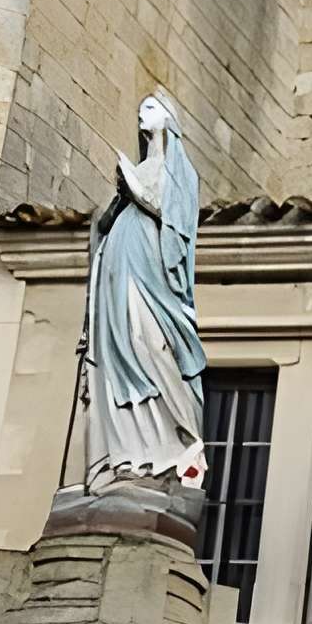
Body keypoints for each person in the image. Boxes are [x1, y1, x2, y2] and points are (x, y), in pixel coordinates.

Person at [80, 92, 208, 490]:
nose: (142, 114)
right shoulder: (139, 169)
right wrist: (120, 198)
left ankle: (173, 445)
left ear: (171, 118)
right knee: (120, 350)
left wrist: (133, 187)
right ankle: (130, 455)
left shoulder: (179, 170)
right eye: (140, 110)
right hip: (119, 268)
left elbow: (176, 221)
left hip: (151, 272)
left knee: (151, 343)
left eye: (151, 108)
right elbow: (103, 224)